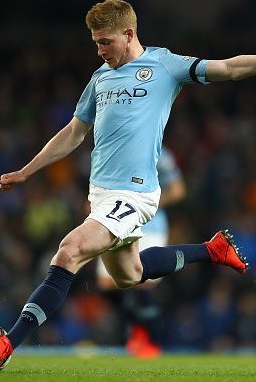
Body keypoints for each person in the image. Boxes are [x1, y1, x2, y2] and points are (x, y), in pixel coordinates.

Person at [0, 0, 256, 371]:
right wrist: (28, 170)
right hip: (102, 196)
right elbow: (75, 133)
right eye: (94, 42)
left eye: (105, 41)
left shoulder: (164, 65)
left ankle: (8, 343)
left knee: (69, 251)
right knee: (130, 276)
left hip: (136, 192)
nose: (99, 50)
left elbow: (228, 67)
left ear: (128, 34)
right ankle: (211, 250)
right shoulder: (100, 78)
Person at [95, 146, 185, 357]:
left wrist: (146, 206)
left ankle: (149, 339)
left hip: (149, 225)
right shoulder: (110, 148)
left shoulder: (159, 153)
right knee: (108, 285)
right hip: (115, 222)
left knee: (142, 284)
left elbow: (178, 190)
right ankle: (138, 328)